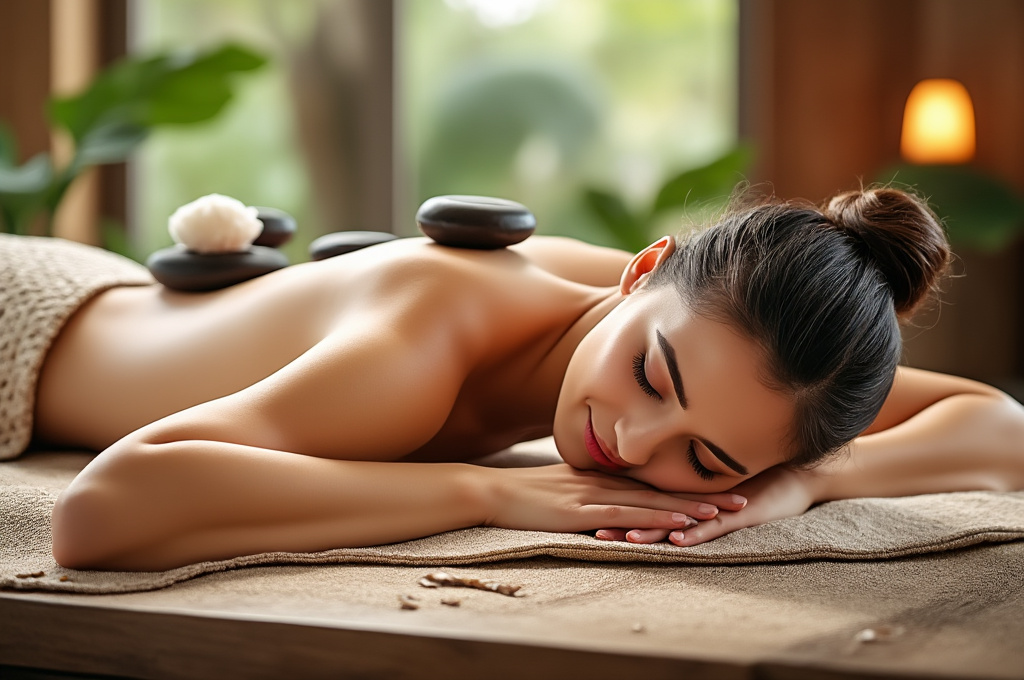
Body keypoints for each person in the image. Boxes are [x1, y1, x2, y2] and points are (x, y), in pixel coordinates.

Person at [5, 187, 1023, 571]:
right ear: (642, 271)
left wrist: (800, 482)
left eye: (704, 457)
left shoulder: (730, 363)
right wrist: (488, 490)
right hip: (26, 324)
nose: (631, 444)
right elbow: (102, 513)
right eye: (649, 377)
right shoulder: (427, 337)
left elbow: (1000, 429)